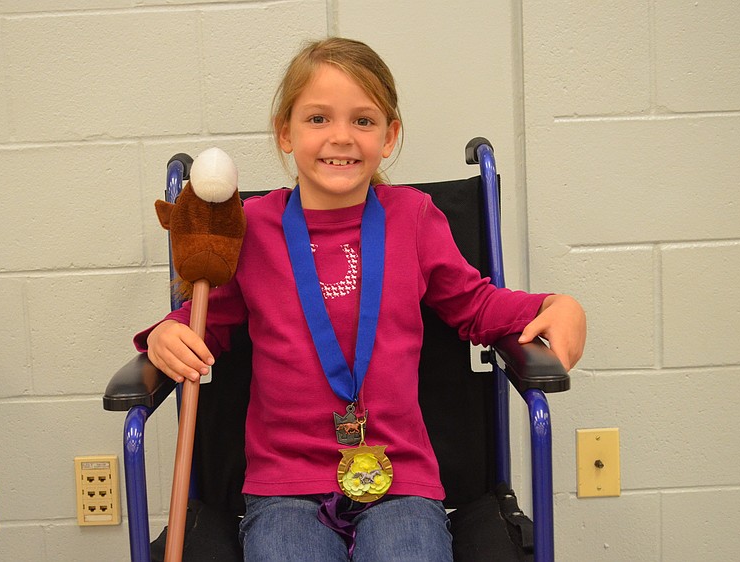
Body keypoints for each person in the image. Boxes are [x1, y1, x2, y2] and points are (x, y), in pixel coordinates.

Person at [135, 37, 586, 562]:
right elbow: (206, 319)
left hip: (400, 479)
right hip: (285, 484)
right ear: (285, 132)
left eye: (364, 121)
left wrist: (553, 305)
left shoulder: (412, 218)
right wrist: (167, 332)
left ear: (390, 135)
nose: (341, 137)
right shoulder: (253, 227)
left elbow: (475, 305)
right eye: (318, 119)